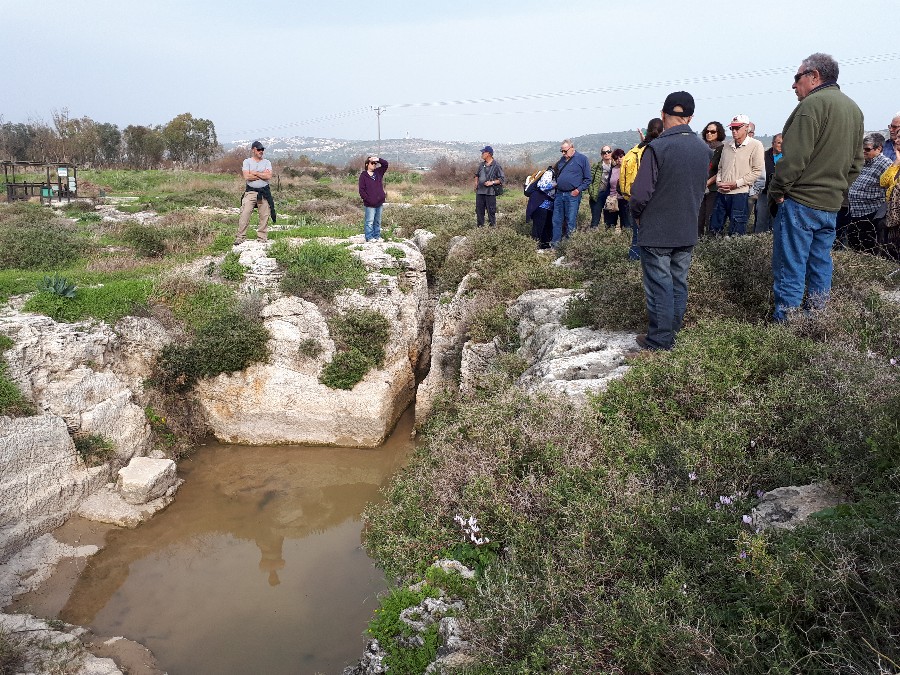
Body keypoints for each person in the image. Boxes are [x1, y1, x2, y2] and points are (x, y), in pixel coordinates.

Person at [768, 52, 864, 322]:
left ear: (814, 76)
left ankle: (786, 331)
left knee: (791, 268)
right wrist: (836, 190)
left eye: (797, 77)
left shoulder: (812, 105)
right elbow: (857, 163)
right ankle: (817, 323)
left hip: (800, 201)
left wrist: (777, 193)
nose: (793, 85)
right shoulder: (854, 109)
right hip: (830, 205)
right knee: (821, 265)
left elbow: (793, 160)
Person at [629, 91, 711, 351]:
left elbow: (640, 193)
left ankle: (659, 341)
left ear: (663, 114)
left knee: (659, 287)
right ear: (691, 117)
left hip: (657, 230)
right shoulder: (704, 150)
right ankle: (672, 336)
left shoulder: (657, 147)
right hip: (687, 228)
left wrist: (638, 215)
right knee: (678, 283)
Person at [709, 114, 764, 236]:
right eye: (732, 128)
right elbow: (721, 168)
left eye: (737, 128)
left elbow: (756, 171)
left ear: (746, 128)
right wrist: (718, 182)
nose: (734, 131)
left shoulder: (756, 145)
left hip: (740, 194)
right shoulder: (727, 145)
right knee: (714, 228)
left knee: (737, 231)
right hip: (722, 192)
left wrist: (736, 184)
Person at [620, 118, 664, 259]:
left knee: (637, 234)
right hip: (654, 197)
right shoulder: (658, 149)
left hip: (634, 196)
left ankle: (633, 261)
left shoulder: (634, 151)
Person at [846, 133, 891, 253]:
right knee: (854, 243)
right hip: (855, 212)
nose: (864, 151)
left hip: (871, 213)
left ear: (879, 149)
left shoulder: (885, 163)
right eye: (862, 148)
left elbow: (890, 185)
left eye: (867, 149)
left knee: (867, 247)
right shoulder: (864, 162)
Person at [550, 139, 591, 247]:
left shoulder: (582, 159)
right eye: (561, 151)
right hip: (559, 194)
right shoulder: (561, 161)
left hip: (572, 195)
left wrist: (577, 190)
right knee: (556, 220)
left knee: (570, 221)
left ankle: (569, 247)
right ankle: (555, 245)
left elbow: (587, 179)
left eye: (565, 151)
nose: (563, 153)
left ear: (572, 148)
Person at [235, 141, 275, 245]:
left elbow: (268, 176)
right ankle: (240, 237)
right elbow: (247, 177)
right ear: (253, 150)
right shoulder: (247, 161)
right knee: (245, 214)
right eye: (259, 149)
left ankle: (262, 238)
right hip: (251, 192)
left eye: (262, 149)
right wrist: (262, 174)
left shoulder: (267, 162)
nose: (261, 151)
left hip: (264, 192)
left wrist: (255, 173)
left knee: (264, 215)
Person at [698, 121, 726, 236]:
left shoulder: (723, 149)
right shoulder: (701, 148)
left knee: (710, 218)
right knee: (698, 220)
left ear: (718, 133)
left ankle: (711, 247)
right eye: (707, 131)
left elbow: (722, 170)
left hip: (713, 189)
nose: (709, 134)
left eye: (713, 132)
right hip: (699, 188)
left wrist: (708, 183)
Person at [752, 134, 782, 234]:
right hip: (764, 193)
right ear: (772, 144)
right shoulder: (763, 156)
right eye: (778, 143)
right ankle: (758, 241)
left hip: (781, 195)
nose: (781, 145)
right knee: (761, 219)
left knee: (777, 220)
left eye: (783, 143)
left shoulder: (788, 158)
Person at [358, 155, 389, 241]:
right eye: (372, 163)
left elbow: (385, 164)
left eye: (375, 163)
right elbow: (361, 190)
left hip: (379, 202)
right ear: (367, 164)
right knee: (369, 221)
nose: (374, 165)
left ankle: (377, 236)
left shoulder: (378, 173)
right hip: (370, 203)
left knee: (377, 221)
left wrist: (378, 159)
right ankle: (369, 237)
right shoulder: (363, 176)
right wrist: (368, 199)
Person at [879, 135, 900, 259]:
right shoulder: (896, 164)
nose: (896, 140)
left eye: (899, 138)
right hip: (892, 214)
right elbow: (883, 182)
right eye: (896, 138)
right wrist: (896, 162)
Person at [474, 145, 505, 227]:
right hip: (480, 192)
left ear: (488, 153)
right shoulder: (481, 165)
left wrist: (492, 182)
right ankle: (480, 229)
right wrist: (476, 183)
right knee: (479, 212)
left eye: (483, 152)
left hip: (490, 193)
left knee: (491, 212)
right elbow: (476, 175)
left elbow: (502, 179)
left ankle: (492, 230)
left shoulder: (496, 165)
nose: (482, 154)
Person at [526, 166, 556, 248]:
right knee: (538, 226)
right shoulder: (549, 173)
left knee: (546, 225)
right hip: (540, 203)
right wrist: (556, 184)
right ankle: (535, 245)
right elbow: (543, 186)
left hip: (547, 204)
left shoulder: (554, 174)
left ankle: (544, 244)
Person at [588, 146, 614, 228]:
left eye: (608, 152)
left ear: (611, 153)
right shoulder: (596, 166)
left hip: (610, 196)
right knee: (595, 220)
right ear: (601, 155)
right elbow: (589, 180)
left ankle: (609, 238)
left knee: (610, 220)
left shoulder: (615, 166)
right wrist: (592, 193)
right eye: (604, 152)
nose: (606, 154)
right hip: (597, 195)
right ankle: (593, 237)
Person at [603, 149, 626, 228]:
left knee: (627, 225)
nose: (619, 159)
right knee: (610, 225)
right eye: (616, 158)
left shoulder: (629, 168)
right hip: (612, 200)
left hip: (625, 200)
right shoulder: (613, 170)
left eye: (621, 156)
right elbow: (608, 185)